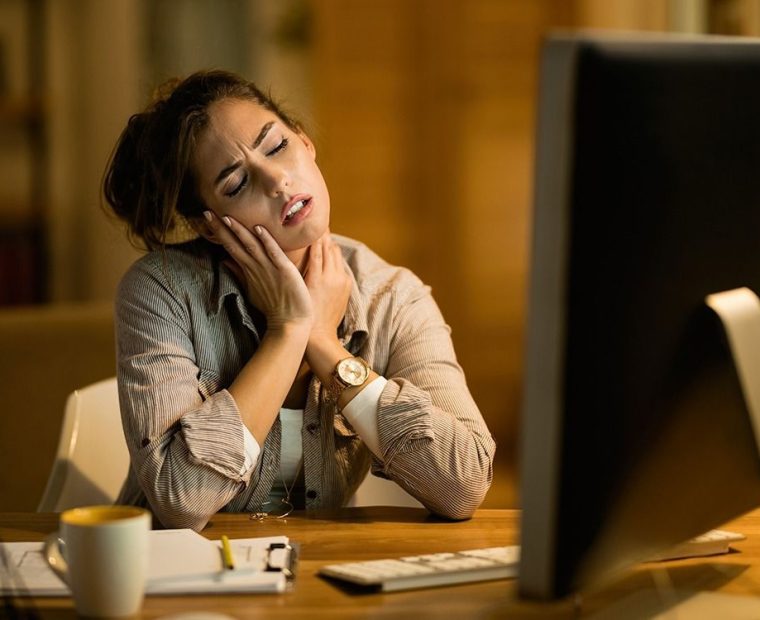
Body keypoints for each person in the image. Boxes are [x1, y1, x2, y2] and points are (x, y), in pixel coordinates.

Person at [103, 70, 496, 531]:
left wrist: (325, 346)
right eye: (236, 184)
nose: (276, 180)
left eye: (277, 147)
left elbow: (463, 482)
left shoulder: (392, 296)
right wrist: (287, 332)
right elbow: (182, 501)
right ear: (211, 225)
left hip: (314, 577)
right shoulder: (162, 290)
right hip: (171, 580)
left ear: (306, 144)